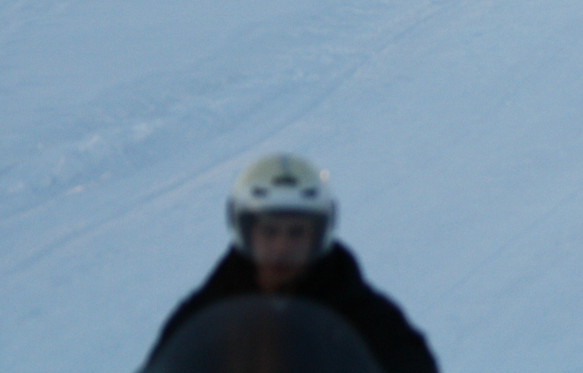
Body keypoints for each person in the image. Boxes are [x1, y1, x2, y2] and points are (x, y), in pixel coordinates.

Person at [146, 154, 439, 373]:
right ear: (246, 231)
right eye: (269, 231)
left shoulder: (370, 318)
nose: (282, 246)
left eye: (297, 232)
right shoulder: (205, 314)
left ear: (319, 234)